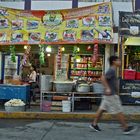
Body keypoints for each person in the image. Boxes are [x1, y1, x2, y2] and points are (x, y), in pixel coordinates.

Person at [90, 56, 137, 135]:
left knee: (102, 109)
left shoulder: (113, 70)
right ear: (114, 61)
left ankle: (94, 124)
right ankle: (125, 128)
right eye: (118, 60)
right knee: (118, 110)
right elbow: (103, 78)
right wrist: (108, 88)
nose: (120, 61)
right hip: (111, 95)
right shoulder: (111, 70)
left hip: (108, 95)